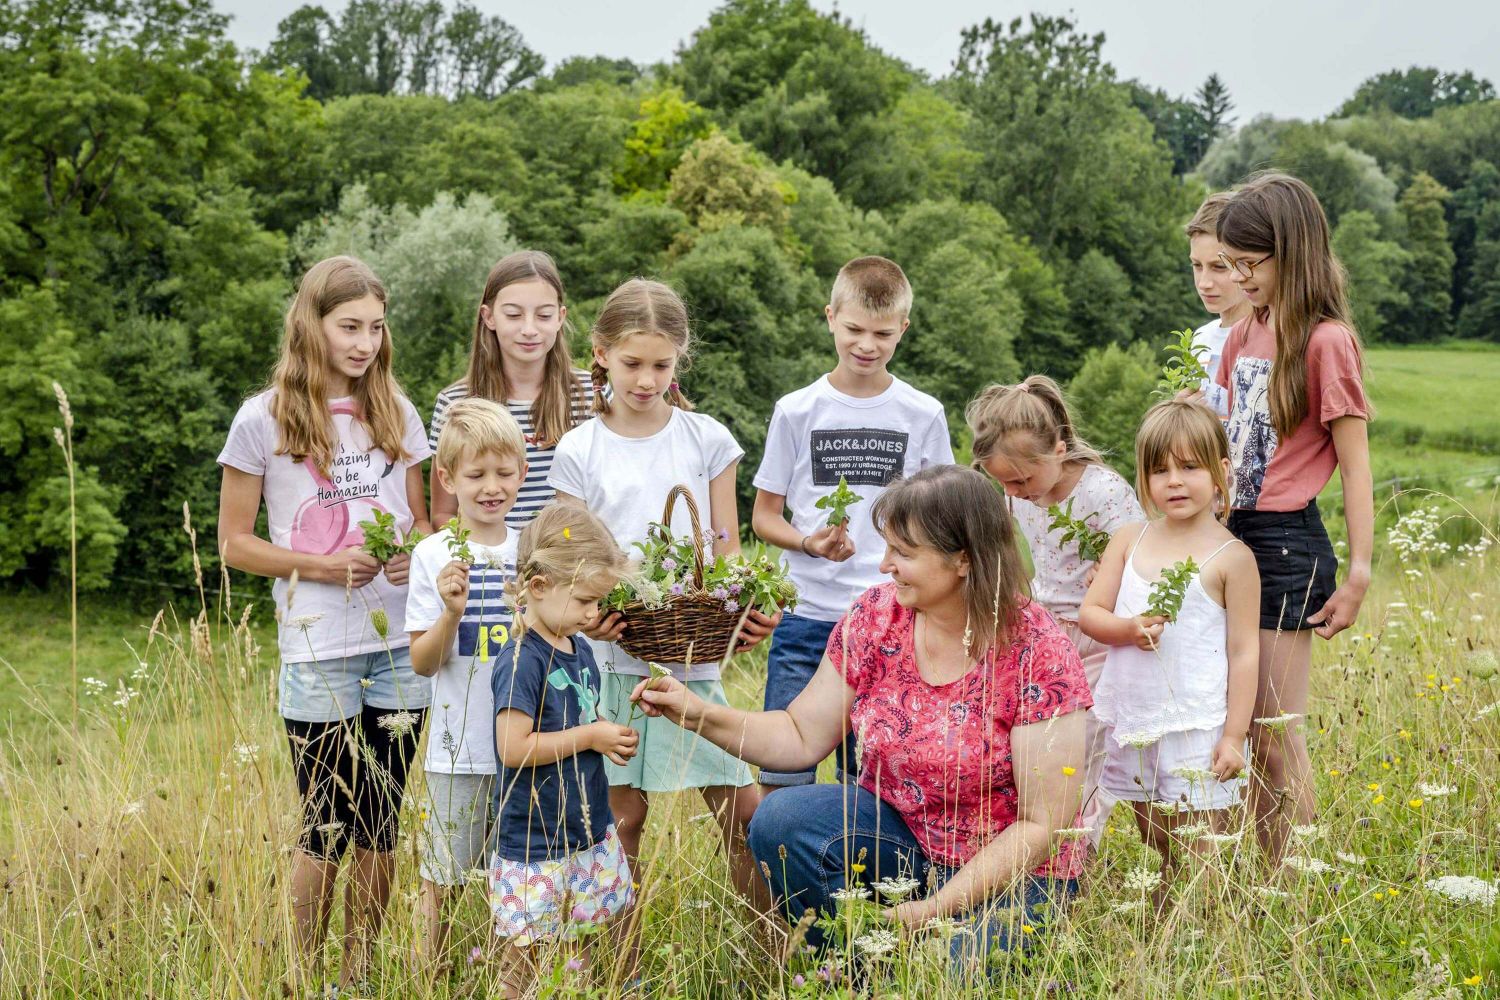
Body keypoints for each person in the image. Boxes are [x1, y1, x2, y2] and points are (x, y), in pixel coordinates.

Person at [631, 466, 1091, 980]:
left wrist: (929, 912)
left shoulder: (1035, 648)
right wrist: (697, 714)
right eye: (888, 547)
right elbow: (801, 735)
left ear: (964, 558)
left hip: (1009, 873)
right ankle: (853, 966)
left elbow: (1040, 825)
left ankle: (892, 953)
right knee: (781, 819)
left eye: (905, 552)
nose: (886, 565)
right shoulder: (878, 616)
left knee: (946, 978)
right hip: (902, 845)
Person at [216, 256, 431, 990]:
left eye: (375, 327)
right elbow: (235, 544)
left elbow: (424, 521)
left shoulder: (397, 411)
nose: (366, 342)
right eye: (349, 327)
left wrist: (412, 557)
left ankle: (358, 973)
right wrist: (318, 567)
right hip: (318, 646)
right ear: (311, 324)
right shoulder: (263, 417)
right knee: (323, 826)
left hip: (400, 643)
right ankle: (306, 978)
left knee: (380, 821)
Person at [547, 278, 777, 906]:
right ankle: (622, 968)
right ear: (599, 353)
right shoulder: (579, 450)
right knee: (620, 821)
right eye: (631, 364)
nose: (645, 380)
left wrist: (746, 611)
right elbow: (574, 559)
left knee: (743, 812)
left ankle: (771, 953)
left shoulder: (705, 438)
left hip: (694, 656)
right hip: (613, 660)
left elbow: (726, 551)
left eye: (660, 365)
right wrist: (589, 617)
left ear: (680, 360)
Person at [1214, 172, 1373, 862]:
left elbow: (1356, 462)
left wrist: (1360, 572)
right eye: (1233, 263)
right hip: (1228, 537)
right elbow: (1222, 445)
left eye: (1252, 263)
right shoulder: (1242, 334)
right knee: (1242, 729)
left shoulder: (1325, 341)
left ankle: (1300, 884)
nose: (1240, 276)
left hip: (1285, 543)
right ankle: (1262, 877)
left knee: (1278, 731)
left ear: (1293, 252)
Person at [751, 255, 953, 793]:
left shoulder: (922, 413)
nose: (867, 344)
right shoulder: (796, 410)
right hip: (807, 619)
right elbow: (764, 516)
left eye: (883, 334)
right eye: (855, 329)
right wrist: (808, 543)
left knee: (867, 783)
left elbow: (942, 517)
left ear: (903, 329)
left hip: (891, 620)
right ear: (830, 318)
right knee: (782, 773)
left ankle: (861, 880)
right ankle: (788, 879)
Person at [1079, 401, 1258, 898]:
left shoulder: (1233, 558)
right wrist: (1127, 629)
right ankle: (1163, 924)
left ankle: (1209, 929)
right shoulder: (1129, 539)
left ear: (1221, 471)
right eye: (1160, 470)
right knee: (1154, 836)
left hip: (1198, 722)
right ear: (1144, 478)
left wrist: (1234, 736)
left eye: (1190, 467)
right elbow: (1091, 613)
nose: (1174, 481)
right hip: (1137, 715)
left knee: (1204, 842)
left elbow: (1244, 651)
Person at [966, 375, 1143, 847]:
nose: (1016, 491)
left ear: (1059, 449)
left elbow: (1143, 554)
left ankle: (1075, 851)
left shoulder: (1102, 491)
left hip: (1102, 635)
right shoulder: (1015, 494)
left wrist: (1114, 571)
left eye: (1023, 479)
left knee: (1088, 748)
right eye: (1003, 482)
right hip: (1046, 635)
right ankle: (1035, 840)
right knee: (1040, 746)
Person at [488, 503, 636, 998]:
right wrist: (590, 737)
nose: (594, 613)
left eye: (599, 601)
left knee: (579, 948)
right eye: (585, 600)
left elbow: (579, 718)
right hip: (535, 840)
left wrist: (605, 733)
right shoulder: (519, 660)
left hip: (585, 828)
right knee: (525, 958)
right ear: (539, 586)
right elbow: (512, 748)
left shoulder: (580, 647)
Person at [405, 398, 525, 967]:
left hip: (524, 749)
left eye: (504, 473)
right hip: (457, 753)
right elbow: (424, 664)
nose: (491, 487)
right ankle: (430, 974)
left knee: (520, 879)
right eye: (476, 475)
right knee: (442, 879)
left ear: (523, 473)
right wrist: (451, 612)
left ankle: (511, 978)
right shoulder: (433, 555)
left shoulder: (532, 551)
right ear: (449, 479)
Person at [428, 249, 591, 530]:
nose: (529, 329)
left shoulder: (592, 394)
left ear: (560, 317)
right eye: (514, 315)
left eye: (543, 315)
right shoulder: (455, 404)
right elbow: (443, 513)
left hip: (567, 562)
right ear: (489, 317)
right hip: (490, 567)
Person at [1186, 192, 1253, 419]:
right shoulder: (1200, 339)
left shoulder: (1272, 337)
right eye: (1197, 265)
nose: (1204, 283)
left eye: (1219, 267)